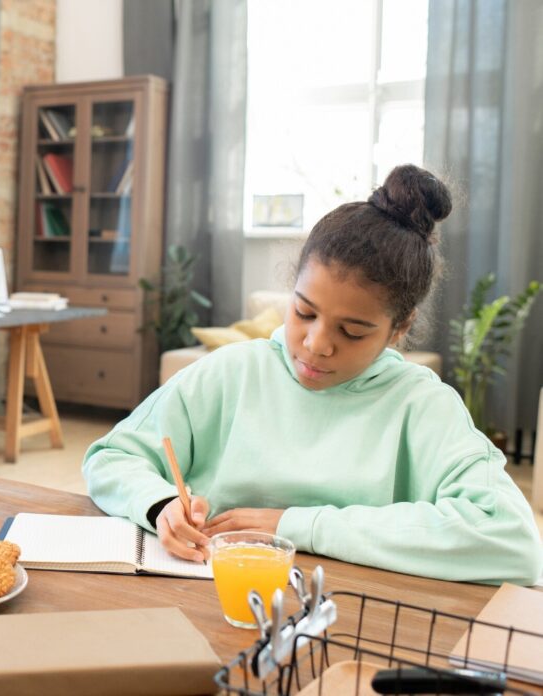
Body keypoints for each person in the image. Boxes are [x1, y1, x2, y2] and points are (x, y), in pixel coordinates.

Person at [82, 165, 542, 586]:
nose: (317, 343)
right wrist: (160, 505)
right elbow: (110, 457)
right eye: (304, 312)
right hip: (209, 596)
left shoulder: (422, 405)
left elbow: (513, 542)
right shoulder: (230, 372)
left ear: (398, 330)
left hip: (353, 618)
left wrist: (298, 525)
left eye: (353, 331)